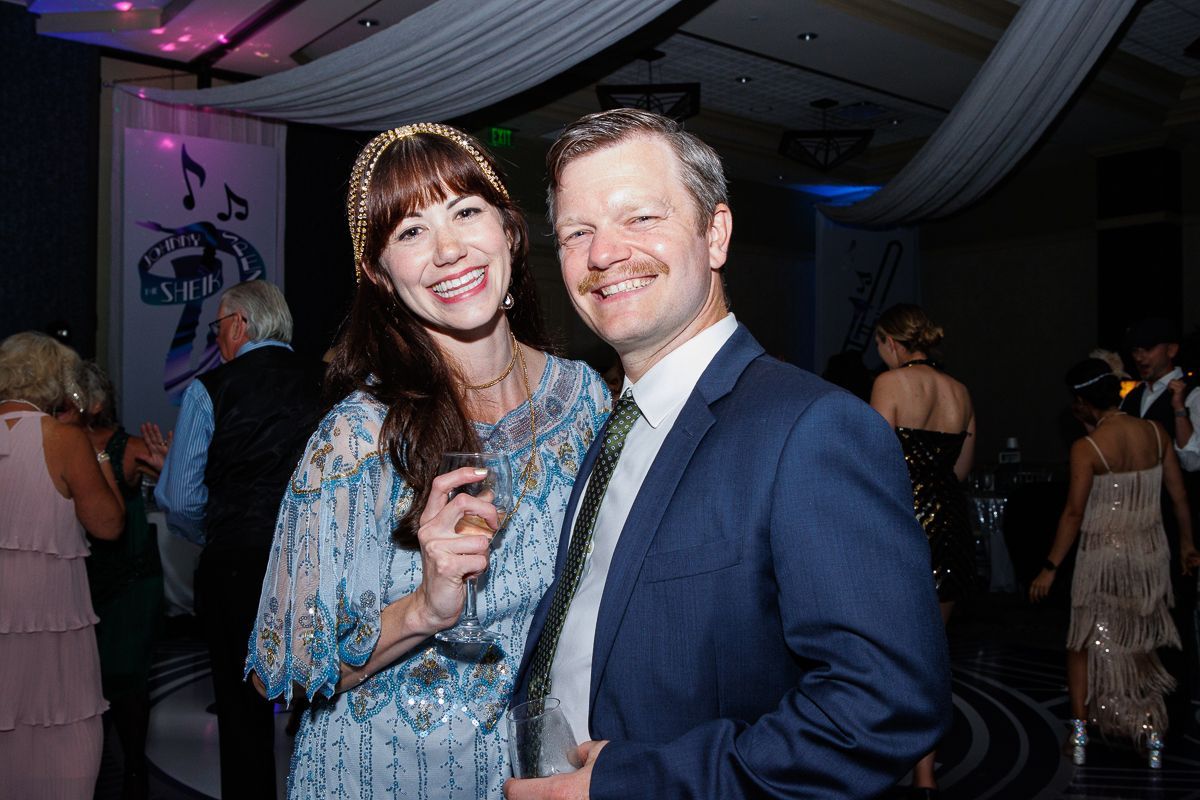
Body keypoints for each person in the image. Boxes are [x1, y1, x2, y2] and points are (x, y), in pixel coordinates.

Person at [508, 109, 949, 800]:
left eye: (641, 218)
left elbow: (882, 704)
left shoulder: (812, 428)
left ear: (715, 234)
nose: (603, 255)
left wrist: (637, 783)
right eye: (577, 233)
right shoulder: (613, 427)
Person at [243, 123, 610, 799]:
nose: (448, 250)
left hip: (531, 768)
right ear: (381, 276)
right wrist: (424, 609)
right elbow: (280, 673)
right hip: (383, 774)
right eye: (410, 231)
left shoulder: (585, 398)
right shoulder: (359, 439)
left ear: (509, 230)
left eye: (465, 212)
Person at [152, 279, 324, 800]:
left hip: (236, 566)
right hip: (313, 564)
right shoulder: (328, 384)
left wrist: (223, 528)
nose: (217, 339)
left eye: (218, 327)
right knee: (326, 697)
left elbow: (179, 500)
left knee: (241, 710)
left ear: (240, 325)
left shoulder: (210, 390)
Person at [1030, 358, 1199, 768]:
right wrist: (1188, 544)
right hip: (1148, 556)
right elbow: (1178, 496)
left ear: (1082, 403)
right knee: (1141, 642)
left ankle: (1080, 734)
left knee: (1082, 641)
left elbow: (1073, 513)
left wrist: (1049, 568)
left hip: (1102, 558)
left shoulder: (1087, 448)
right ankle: (1151, 736)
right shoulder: (1155, 433)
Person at [0, 332, 125, 798]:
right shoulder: (63, 440)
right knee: (59, 732)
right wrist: (95, 449)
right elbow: (109, 525)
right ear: (57, 380)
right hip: (50, 612)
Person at [870, 303, 975, 798]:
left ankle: (875, 759)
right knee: (934, 653)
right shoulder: (960, 392)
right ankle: (926, 774)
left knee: (887, 654)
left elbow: (872, 465)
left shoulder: (889, 385)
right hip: (951, 521)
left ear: (890, 342)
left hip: (901, 525)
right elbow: (959, 472)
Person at [60, 360, 164, 800]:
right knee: (80, 681)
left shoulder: (129, 446)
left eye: (71, 395)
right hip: (77, 581)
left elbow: (182, 495)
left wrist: (167, 468)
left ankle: (135, 771)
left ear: (94, 402)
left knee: (126, 682)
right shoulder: (56, 447)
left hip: (129, 582)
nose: (62, 403)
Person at [1120, 317, 1200, 746]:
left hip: (1175, 522)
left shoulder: (1192, 392)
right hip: (1137, 521)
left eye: (1147, 348)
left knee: (1174, 619)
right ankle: (1141, 706)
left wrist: (1180, 407)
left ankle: (1176, 715)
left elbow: (1192, 462)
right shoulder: (1132, 397)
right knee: (1139, 616)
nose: (1139, 356)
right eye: (1135, 349)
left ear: (1170, 349)